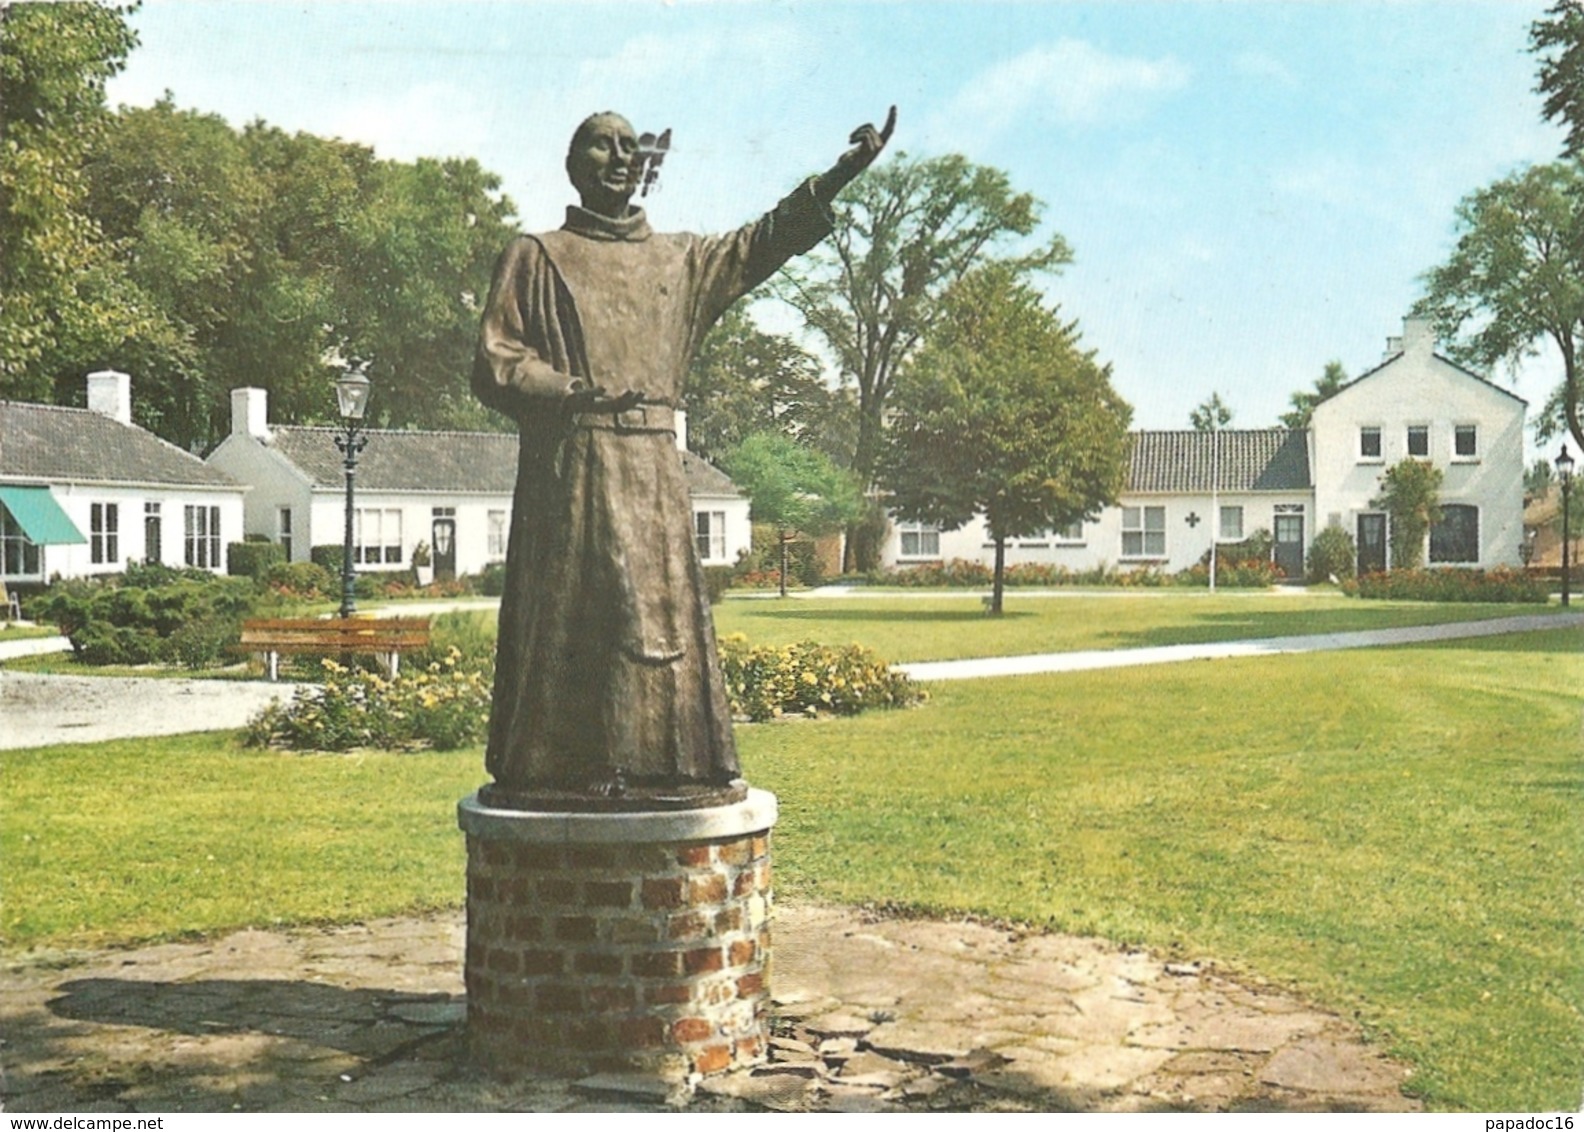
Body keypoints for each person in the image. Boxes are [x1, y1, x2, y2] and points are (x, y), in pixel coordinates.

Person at [473, 107, 895, 810]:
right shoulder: (535, 255)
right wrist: (570, 391)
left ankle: (668, 765)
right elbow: (495, 360)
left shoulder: (680, 260)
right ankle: (567, 767)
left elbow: (764, 242)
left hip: (655, 478)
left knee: (657, 627)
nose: (618, 158)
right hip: (573, 471)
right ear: (575, 165)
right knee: (582, 626)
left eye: (629, 148)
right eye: (600, 146)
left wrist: (841, 176)